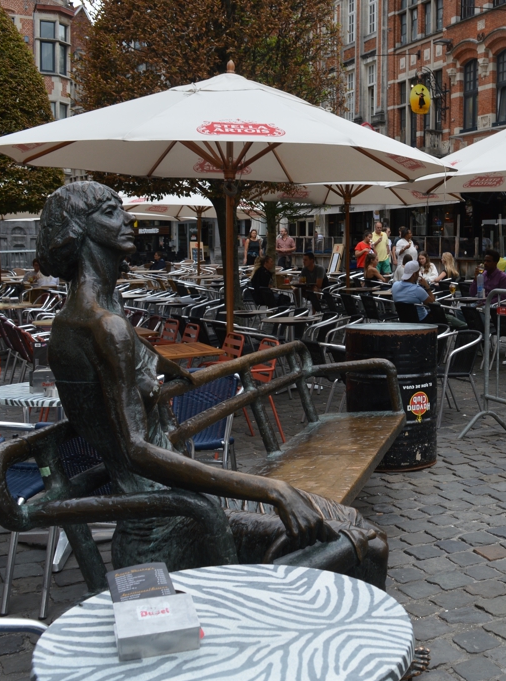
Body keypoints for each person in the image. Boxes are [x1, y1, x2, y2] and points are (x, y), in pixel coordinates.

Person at [33, 180, 387, 584]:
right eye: (111, 212)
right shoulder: (104, 326)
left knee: (348, 520)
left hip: (181, 509)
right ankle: (371, 643)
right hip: (170, 527)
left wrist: (172, 367)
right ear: (79, 231)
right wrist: (268, 489)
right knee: (369, 541)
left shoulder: (92, 316)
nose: (127, 218)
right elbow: (134, 449)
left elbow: (132, 365)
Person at [393, 260, 466, 328]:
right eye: (418, 272)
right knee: (444, 314)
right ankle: (465, 327)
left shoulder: (395, 286)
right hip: (422, 321)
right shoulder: (417, 289)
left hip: (405, 321)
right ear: (414, 274)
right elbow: (433, 303)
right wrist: (427, 286)